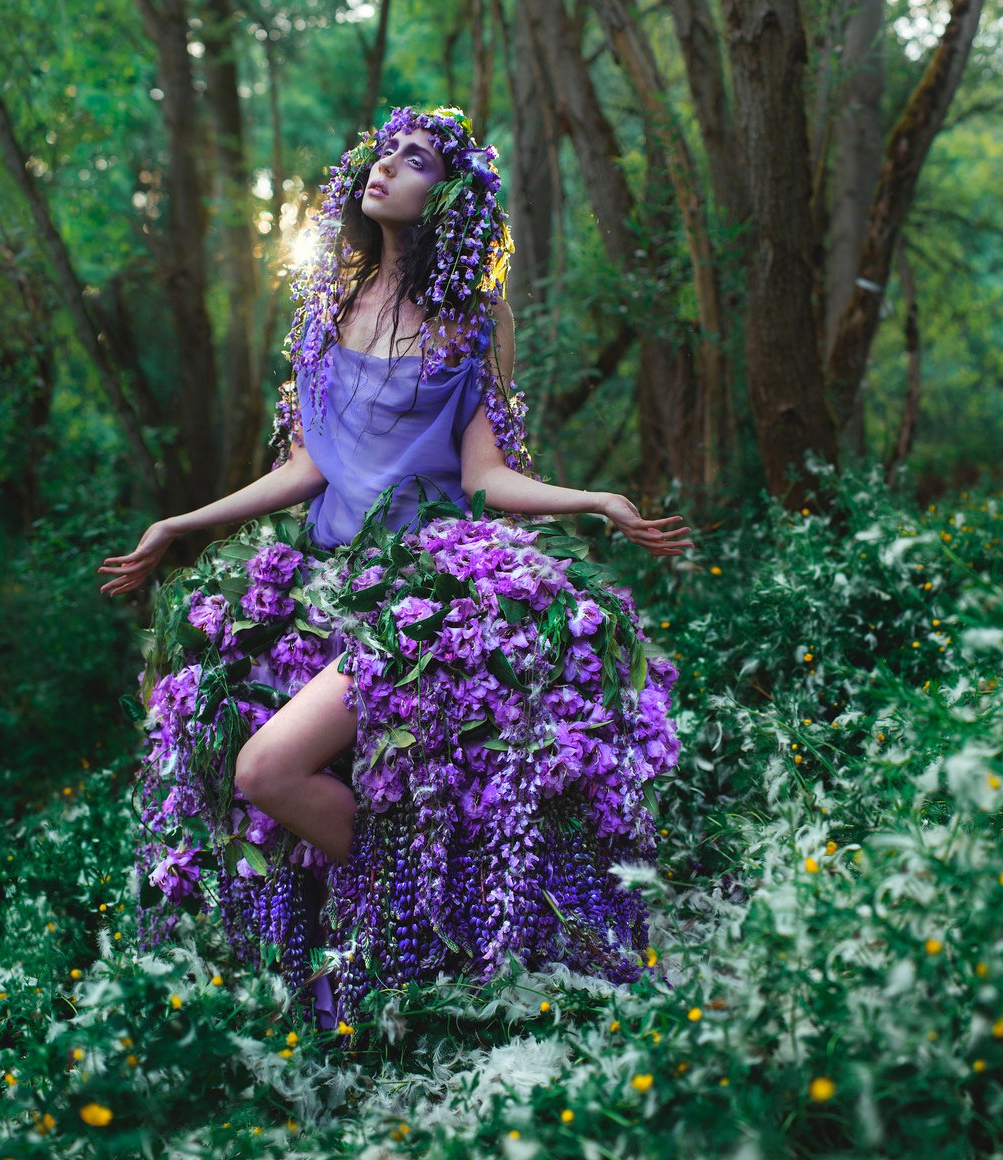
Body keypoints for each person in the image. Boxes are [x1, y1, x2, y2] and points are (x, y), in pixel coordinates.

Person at [97, 106, 694, 1031]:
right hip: (322, 583)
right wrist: (177, 524)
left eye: (415, 161)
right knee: (226, 752)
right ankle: (374, 976)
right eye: (384, 153)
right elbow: (306, 468)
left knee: (267, 770)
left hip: (428, 594)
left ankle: (436, 922)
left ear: (448, 199)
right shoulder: (328, 311)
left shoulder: (474, 323)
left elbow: (485, 477)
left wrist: (595, 502)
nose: (385, 167)